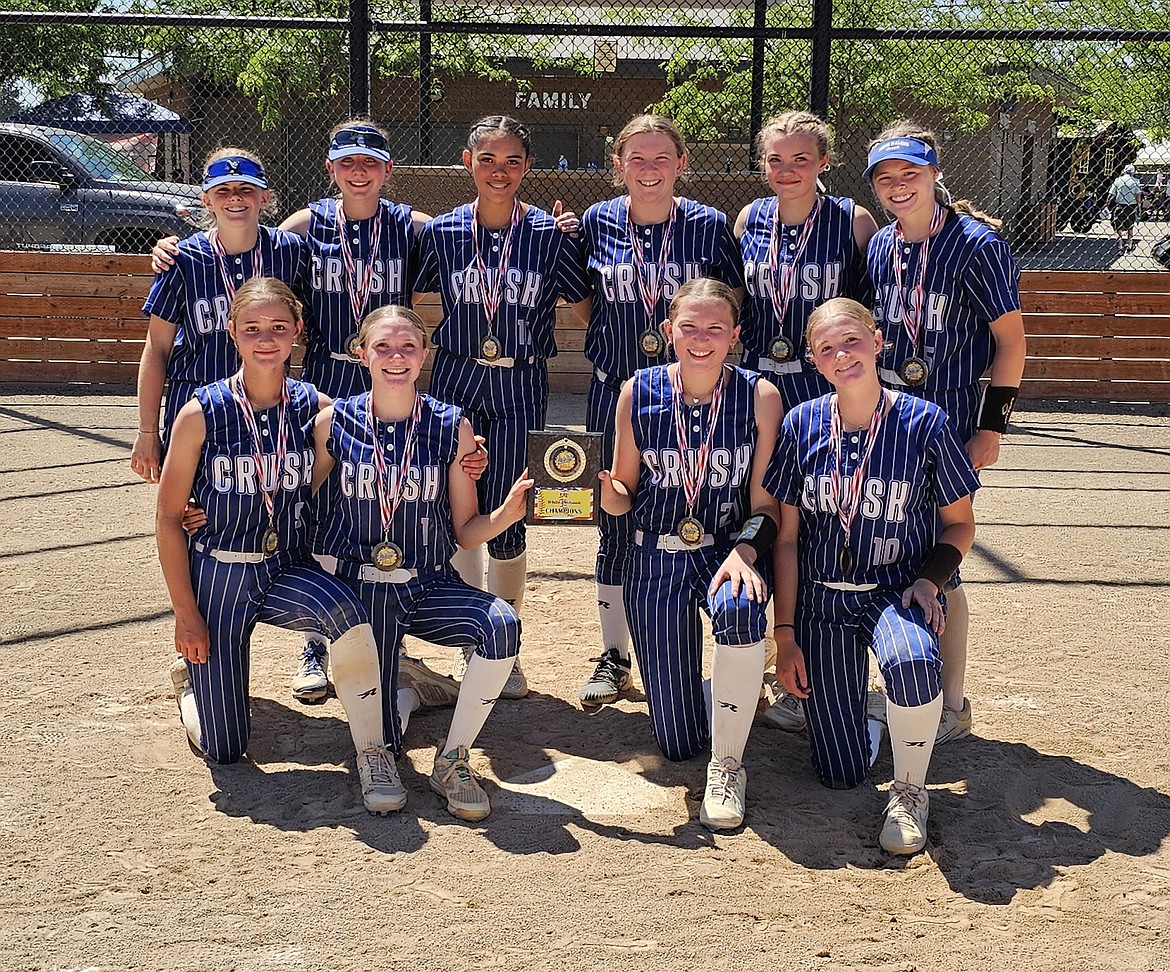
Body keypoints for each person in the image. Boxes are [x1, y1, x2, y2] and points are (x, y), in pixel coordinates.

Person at [156, 278, 401, 814]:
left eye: (278, 328)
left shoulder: (317, 407)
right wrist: (185, 614)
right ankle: (196, 690)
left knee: (348, 611)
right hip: (221, 573)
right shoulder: (201, 413)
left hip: (286, 566)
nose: (266, 339)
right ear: (232, 332)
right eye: (252, 329)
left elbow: (396, 439)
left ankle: (373, 749)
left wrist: (463, 454)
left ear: (297, 333)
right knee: (226, 750)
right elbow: (170, 518)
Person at [765, 297, 979, 854]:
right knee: (838, 772)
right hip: (821, 603)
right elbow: (785, 540)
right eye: (827, 348)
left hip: (893, 591)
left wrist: (930, 581)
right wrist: (784, 636)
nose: (843, 355)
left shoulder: (924, 421)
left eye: (852, 341)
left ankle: (910, 790)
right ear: (814, 361)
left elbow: (958, 526)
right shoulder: (800, 423)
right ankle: (873, 724)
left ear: (878, 341)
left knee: (912, 661)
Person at [310, 304, 533, 821]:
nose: (396, 357)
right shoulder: (331, 423)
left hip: (425, 584)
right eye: (383, 347)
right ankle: (389, 726)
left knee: (501, 625)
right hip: (358, 592)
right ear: (360, 353)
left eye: (408, 347)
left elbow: (465, 530)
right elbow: (303, 501)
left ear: (426, 355)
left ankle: (453, 759)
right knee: (382, 732)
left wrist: (506, 512)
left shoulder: (451, 424)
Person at [413, 115, 592, 699]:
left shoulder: (547, 233)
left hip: (520, 381)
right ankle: (474, 640)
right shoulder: (441, 234)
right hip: (457, 378)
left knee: (514, 507)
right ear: (467, 161)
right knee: (460, 505)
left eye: (512, 160)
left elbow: (586, 298)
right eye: (487, 158)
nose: (500, 170)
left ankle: (506, 644)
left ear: (528, 168)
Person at [863, 122, 1026, 745]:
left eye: (909, 173)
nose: (898, 186)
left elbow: (1011, 343)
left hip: (952, 419)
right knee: (895, 544)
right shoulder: (881, 246)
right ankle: (909, 681)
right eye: (886, 178)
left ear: (933, 173)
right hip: (891, 423)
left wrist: (993, 426)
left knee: (942, 556)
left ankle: (951, 702)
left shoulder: (977, 244)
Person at [599, 278, 781, 830]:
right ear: (667, 332)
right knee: (677, 742)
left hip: (727, 551)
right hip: (655, 557)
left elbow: (766, 505)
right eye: (689, 327)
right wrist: (607, 491)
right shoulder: (638, 390)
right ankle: (723, 688)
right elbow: (625, 491)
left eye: (715, 329)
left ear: (735, 337)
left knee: (742, 613)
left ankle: (729, 765)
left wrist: (747, 553)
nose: (701, 339)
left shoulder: (760, 395)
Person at [577, 114, 744, 708]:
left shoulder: (709, 226)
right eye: (636, 159)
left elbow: (729, 301)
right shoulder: (596, 222)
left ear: (681, 163)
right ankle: (614, 655)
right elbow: (584, 305)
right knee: (614, 516)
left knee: (698, 504)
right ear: (618, 165)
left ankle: (733, 644)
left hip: (690, 390)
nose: (649, 170)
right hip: (618, 390)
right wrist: (619, 351)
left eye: (661, 158)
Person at [735, 111, 880, 732]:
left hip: (827, 385)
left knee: (830, 523)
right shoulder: (748, 221)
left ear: (824, 162)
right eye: (775, 159)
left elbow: (873, 303)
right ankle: (774, 663)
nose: (787, 170)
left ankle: (828, 667)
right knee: (769, 518)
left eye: (801, 159)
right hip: (765, 391)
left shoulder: (852, 221)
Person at [131, 148, 307, 484]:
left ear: (264, 197)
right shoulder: (181, 259)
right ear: (207, 200)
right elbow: (157, 348)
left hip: (268, 404)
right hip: (197, 404)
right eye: (223, 190)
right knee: (193, 514)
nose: (235, 198)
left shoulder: (290, 251)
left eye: (246, 189)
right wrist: (147, 431)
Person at [1107, 163, 1143, 255]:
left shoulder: (1118, 180)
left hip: (1120, 206)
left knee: (1118, 227)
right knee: (1130, 227)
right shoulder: (1136, 182)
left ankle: (1119, 247)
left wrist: (1107, 204)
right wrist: (1139, 208)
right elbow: (1138, 196)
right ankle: (1129, 245)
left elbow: (1111, 194)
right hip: (1131, 206)